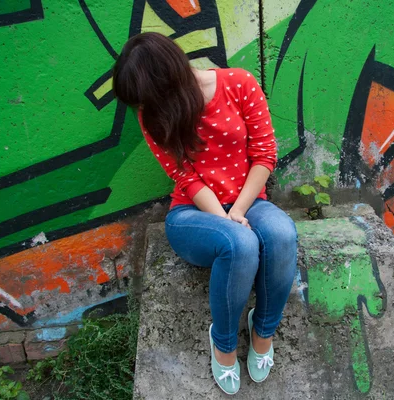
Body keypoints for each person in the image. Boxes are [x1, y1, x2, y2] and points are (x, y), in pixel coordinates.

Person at [112, 32, 298, 395]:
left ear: (169, 78)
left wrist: (240, 209)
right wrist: (224, 219)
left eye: (148, 97)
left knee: (282, 234)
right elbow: (184, 175)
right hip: (191, 214)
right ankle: (224, 342)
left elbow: (264, 154)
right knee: (240, 244)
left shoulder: (239, 83)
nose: (144, 108)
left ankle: (263, 331)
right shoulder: (151, 113)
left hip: (249, 202)